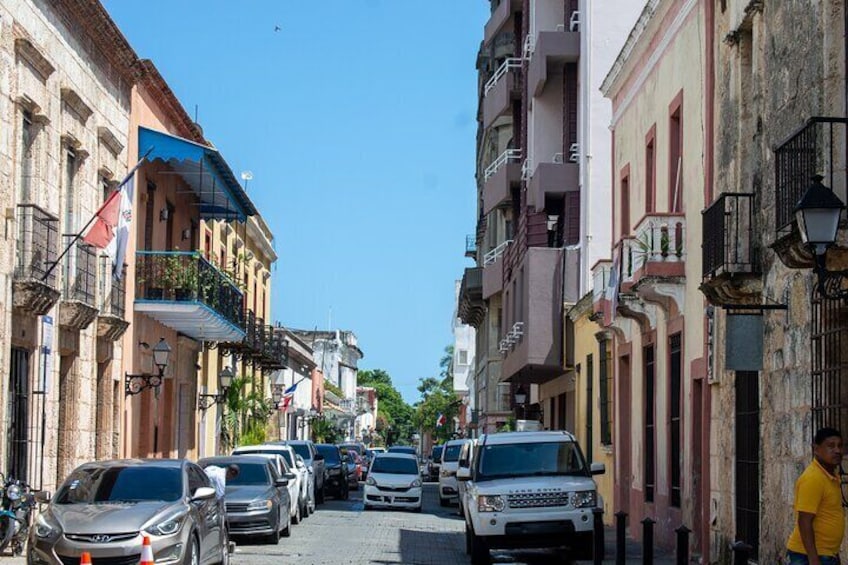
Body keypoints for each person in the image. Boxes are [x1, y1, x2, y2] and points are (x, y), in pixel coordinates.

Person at [786, 427, 845, 564]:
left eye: (840, 446)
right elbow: (804, 521)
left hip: (827, 554)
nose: (837, 450)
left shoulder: (831, 476)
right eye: (831, 446)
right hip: (807, 556)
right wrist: (813, 559)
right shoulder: (813, 478)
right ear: (816, 449)